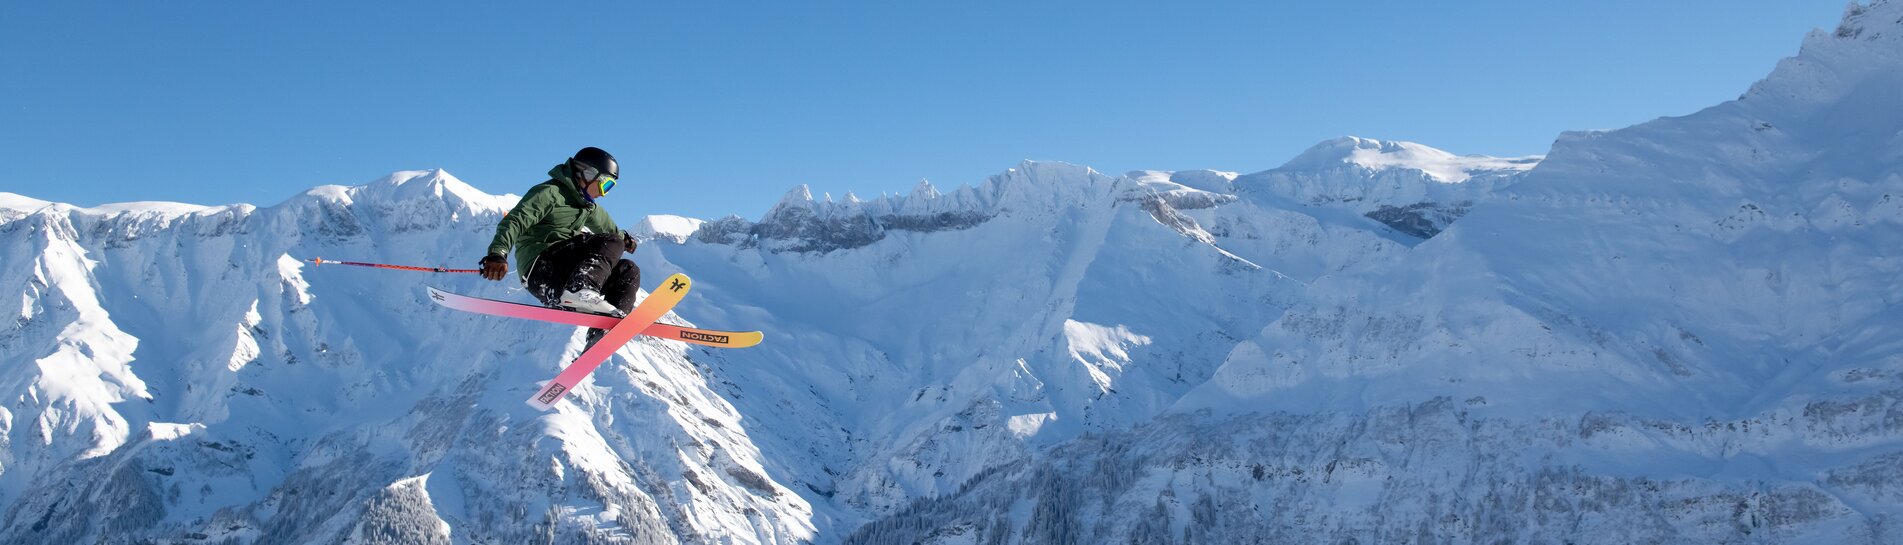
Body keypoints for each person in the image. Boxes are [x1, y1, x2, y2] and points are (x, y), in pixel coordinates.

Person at [480, 147, 640, 344]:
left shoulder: (587, 206)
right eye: (604, 185)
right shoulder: (550, 193)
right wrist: (498, 253)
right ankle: (580, 290)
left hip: (564, 278)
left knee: (628, 270)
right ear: (588, 174)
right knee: (610, 242)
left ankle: (605, 330)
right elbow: (515, 221)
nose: (603, 193)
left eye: (609, 188)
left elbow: (610, 230)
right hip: (542, 269)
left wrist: (625, 239)